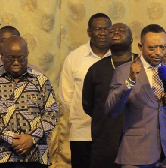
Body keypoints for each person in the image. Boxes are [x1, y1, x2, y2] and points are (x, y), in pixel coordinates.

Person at [105, 24, 166, 168]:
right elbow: (111, 110)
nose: (158, 52)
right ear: (140, 46)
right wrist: (130, 81)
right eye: (152, 47)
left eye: (163, 47)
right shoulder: (123, 71)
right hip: (136, 155)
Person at [0, 36, 58, 168]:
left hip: (34, 156)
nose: (16, 62)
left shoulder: (41, 80)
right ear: (2, 56)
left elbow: (52, 113)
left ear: (27, 55)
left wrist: (31, 138)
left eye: (21, 58)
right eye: (10, 58)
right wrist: (10, 138)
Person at [59, 13, 112, 168]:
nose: (103, 33)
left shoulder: (119, 58)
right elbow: (66, 96)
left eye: (107, 29)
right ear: (89, 32)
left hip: (112, 134)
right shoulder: (75, 57)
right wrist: (84, 112)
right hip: (82, 132)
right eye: (98, 29)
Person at [82, 23, 137, 168]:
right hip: (105, 146)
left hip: (138, 145)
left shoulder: (143, 64)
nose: (116, 32)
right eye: (112, 31)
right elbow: (88, 105)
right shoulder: (96, 69)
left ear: (132, 39)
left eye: (121, 30)